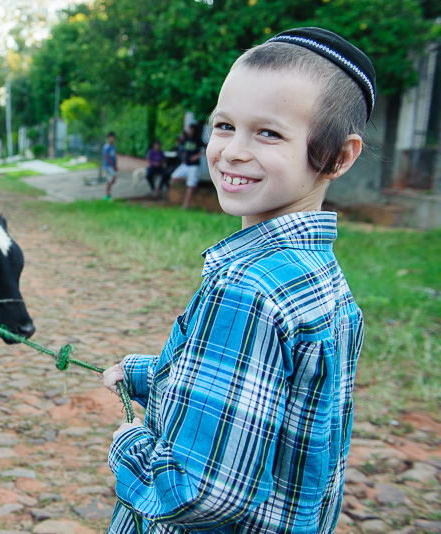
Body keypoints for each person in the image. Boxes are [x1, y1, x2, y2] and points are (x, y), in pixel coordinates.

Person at [103, 26, 374, 533]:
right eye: (224, 126)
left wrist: (128, 443)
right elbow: (263, 401)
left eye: (267, 133)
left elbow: (198, 491)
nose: (231, 151)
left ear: (339, 156)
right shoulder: (320, 279)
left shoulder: (248, 289)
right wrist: (147, 373)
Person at [169, 123, 205, 208]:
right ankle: (190, 181)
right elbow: (180, 147)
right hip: (185, 165)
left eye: (191, 129)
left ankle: (186, 204)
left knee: (191, 184)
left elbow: (203, 150)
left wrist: (196, 156)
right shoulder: (186, 139)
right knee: (173, 177)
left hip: (194, 166)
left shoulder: (198, 140)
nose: (190, 131)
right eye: (189, 129)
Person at [103, 131, 118, 200]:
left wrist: (115, 165)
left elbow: (114, 157)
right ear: (108, 138)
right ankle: (107, 193)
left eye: (113, 138)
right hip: (108, 166)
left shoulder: (113, 147)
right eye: (111, 138)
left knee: (112, 180)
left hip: (112, 166)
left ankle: (108, 193)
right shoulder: (107, 147)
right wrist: (111, 165)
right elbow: (107, 157)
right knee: (113, 178)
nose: (113, 139)